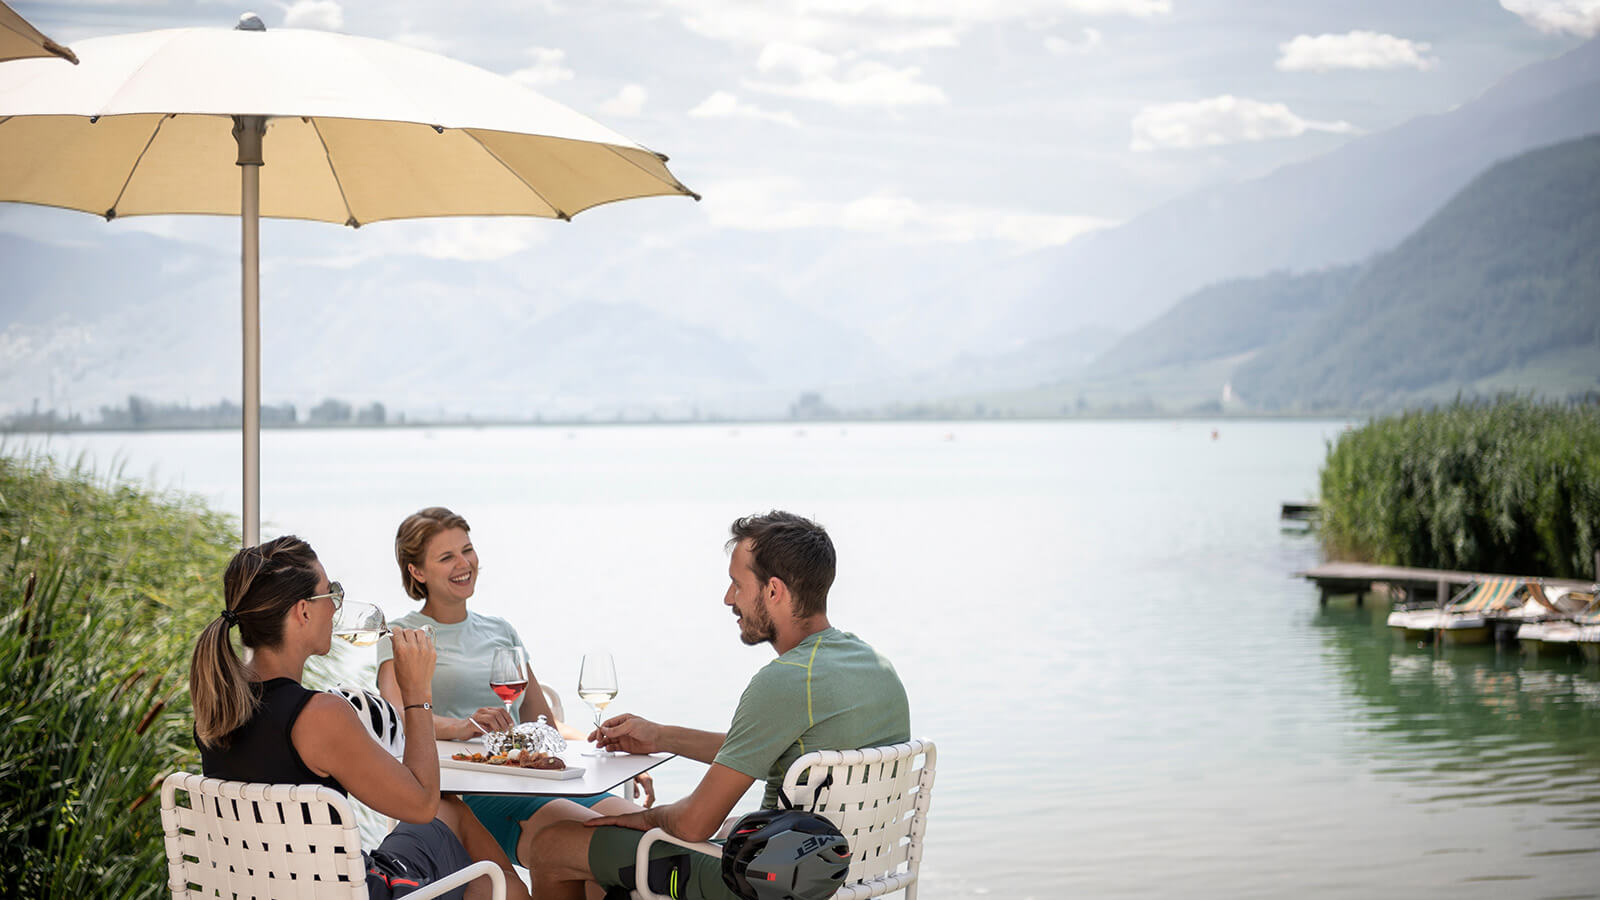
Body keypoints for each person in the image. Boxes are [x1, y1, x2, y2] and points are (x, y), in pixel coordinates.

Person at [525, 510, 911, 900]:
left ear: (773, 591)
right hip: (847, 870)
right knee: (613, 862)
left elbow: (693, 824)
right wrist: (662, 736)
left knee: (553, 844)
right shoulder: (873, 666)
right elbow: (769, 748)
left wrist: (643, 818)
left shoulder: (787, 678)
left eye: (737, 585)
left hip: (767, 883)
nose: (729, 599)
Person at [188, 535, 530, 900]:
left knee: (450, 812)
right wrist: (417, 693)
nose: (336, 608)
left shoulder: (217, 711)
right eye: (330, 593)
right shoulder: (320, 716)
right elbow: (420, 804)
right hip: (354, 893)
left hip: (274, 889)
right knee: (485, 864)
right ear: (303, 612)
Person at [376, 507, 651, 870]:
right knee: (603, 841)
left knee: (644, 830)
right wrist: (463, 726)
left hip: (532, 776)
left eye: (467, 550)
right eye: (447, 557)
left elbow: (540, 721)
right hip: (471, 789)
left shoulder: (500, 630)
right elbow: (395, 716)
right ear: (417, 571)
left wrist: (604, 746)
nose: (464, 563)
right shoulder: (401, 636)